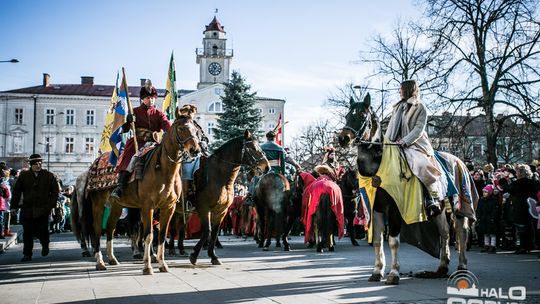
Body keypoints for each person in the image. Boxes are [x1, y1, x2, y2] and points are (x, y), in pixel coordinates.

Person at [384, 79, 442, 217]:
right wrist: (386, 142)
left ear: (408, 89)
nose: (399, 92)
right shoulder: (397, 107)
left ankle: (431, 198)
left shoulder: (420, 107)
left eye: (401, 89)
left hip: (415, 145)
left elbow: (419, 129)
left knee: (421, 164)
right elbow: (391, 127)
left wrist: (405, 141)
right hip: (396, 144)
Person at [111, 81, 172, 199]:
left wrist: (171, 131)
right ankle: (120, 186)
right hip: (137, 142)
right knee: (131, 157)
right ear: (142, 99)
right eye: (148, 98)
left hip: (154, 143)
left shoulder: (159, 114)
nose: (151, 100)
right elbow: (125, 129)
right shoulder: (135, 111)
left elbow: (166, 126)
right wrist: (128, 120)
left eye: (153, 98)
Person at [10, 154, 61, 262]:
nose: (38, 165)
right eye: (36, 164)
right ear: (31, 165)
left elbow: (55, 191)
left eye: (40, 163)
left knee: (43, 231)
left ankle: (45, 245)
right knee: (27, 233)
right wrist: (14, 207)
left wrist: (50, 205)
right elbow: (16, 192)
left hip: (43, 209)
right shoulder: (24, 176)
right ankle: (27, 254)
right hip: (27, 209)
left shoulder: (48, 175)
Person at [476, 184, 500, 253]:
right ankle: (486, 245)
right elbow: (479, 208)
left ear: (489, 192)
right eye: (483, 192)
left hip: (491, 219)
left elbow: (495, 210)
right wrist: (479, 216)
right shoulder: (482, 200)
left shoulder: (493, 200)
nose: (484, 193)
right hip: (484, 218)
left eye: (486, 192)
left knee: (492, 233)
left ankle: (493, 246)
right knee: (485, 233)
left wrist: (493, 218)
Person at [0, 164, 11, 239]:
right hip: (2, 203)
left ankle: (4, 231)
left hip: (3, 203)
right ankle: (2, 232)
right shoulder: (3, 183)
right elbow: (7, 195)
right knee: (1, 219)